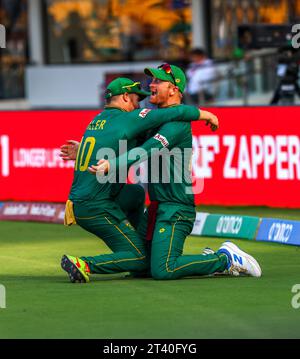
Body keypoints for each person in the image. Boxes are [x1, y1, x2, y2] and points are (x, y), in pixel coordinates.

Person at [93, 64, 262, 280]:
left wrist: (112, 164)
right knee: (138, 266)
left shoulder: (177, 124)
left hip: (176, 209)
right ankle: (208, 259)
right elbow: (120, 140)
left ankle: (226, 259)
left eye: (157, 81)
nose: (151, 85)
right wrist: (83, 150)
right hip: (156, 208)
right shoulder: (156, 118)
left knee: (164, 270)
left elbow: (146, 150)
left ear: (174, 89)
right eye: (152, 80)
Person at [60, 77, 219, 283]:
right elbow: (177, 112)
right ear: (125, 97)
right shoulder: (130, 118)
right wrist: (207, 114)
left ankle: (135, 244)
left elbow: (118, 143)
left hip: (82, 202)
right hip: (95, 206)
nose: (138, 105)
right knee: (141, 258)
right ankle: (85, 264)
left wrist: (86, 151)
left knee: (135, 193)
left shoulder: (98, 119)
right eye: (136, 99)